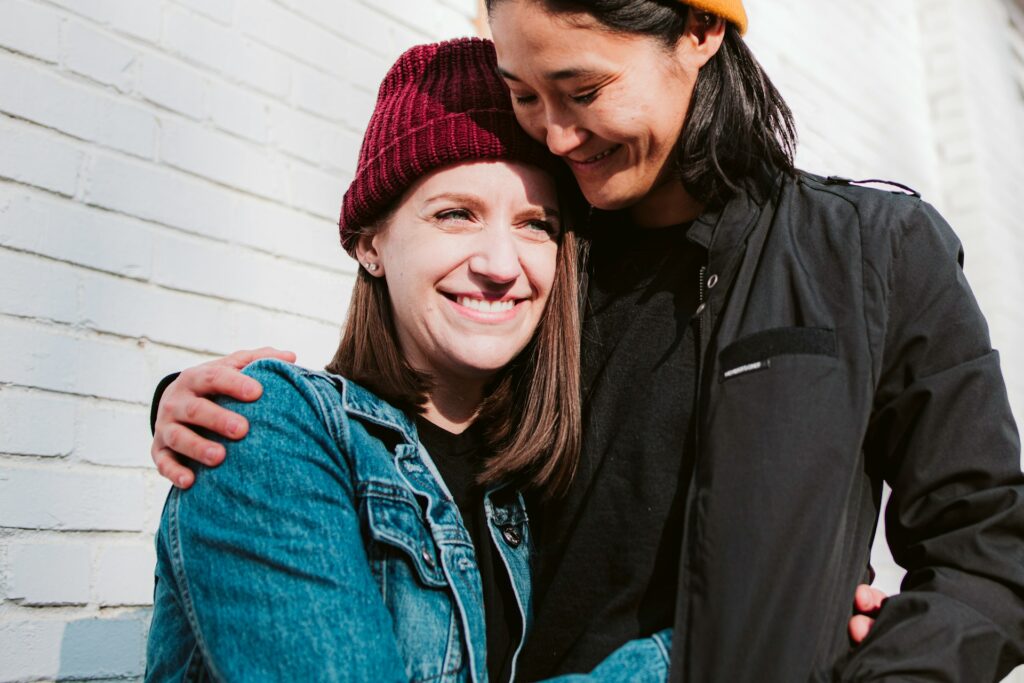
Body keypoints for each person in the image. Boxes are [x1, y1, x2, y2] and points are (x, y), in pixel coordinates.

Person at [150, 1, 1024, 681]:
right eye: (524, 94)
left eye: (583, 90)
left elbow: (990, 550)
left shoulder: (871, 252)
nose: (556, 134)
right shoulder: (548, 259)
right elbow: (408, 442)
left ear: (700, 31)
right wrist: (216, 413)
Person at [146, 38, 675, 682]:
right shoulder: (272, 427)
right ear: (371, 244)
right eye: (456, 214)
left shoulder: (546, 481)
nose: (500, 265)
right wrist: (693, 655)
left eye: (536, 224)